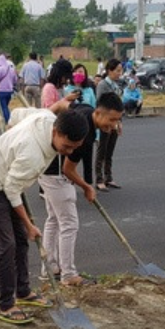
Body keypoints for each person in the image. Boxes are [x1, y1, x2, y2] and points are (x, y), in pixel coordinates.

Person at [0, 104, 88, 325]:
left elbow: (18, 113)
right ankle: (6, 304)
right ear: (56, 132)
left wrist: (10, 131)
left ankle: (23, 291)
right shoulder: (32, 155)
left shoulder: (46, 117)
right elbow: (11, 190)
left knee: (21, 242)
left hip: (11, 181)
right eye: (66, 146)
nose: (69, 152)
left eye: (75, 148)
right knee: (6, 245)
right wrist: (29, 224)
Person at [39, 93, 124, 286]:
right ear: (98, 113)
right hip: (55, 174)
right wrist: (86, 187)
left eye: (117, 121)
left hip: (44, 167)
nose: (113, 125)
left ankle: (49, 268)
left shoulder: (84, 110)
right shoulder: (83, 136)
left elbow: (65, 104)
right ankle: (68, 274)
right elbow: (67, 169)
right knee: (69, 223)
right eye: (111, 120)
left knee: (54, 219)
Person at [95, 59, 124, 192]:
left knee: (110, 151)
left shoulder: (116, 85)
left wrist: (119, 122)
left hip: (115, 123)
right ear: (109, 71)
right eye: (117, 70)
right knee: (102, 150)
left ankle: (109, 177)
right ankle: (99, 179)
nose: (120, 73)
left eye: (120, 70)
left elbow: (119, 106)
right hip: (106, 122)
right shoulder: (103, 85)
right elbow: (102, 106)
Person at [0, 54, 18, 124]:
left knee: (3, 107)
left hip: (2, 91)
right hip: (10, 91)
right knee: (5, 106)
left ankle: (8, 121)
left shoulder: (0, 69)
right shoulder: (11, 69)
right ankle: (6, 120)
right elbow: (15, 80)